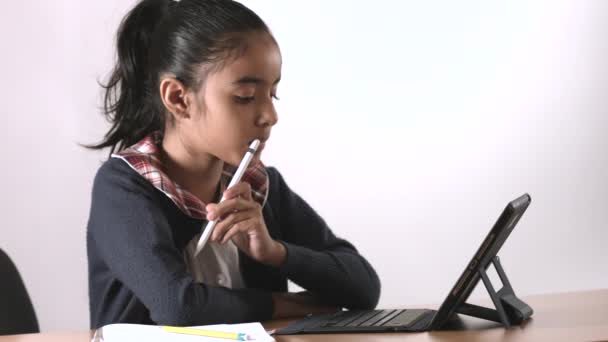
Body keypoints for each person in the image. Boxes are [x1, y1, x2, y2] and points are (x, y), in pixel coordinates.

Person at [86, 0, 380, 329]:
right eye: (244, 97)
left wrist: (275, 252)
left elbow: (365, 287)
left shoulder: (260, 187)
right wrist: (285, 304)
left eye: (273, 94)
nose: (270, 115)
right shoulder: (124, 189)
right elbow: (179, 306)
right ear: (179, 98)